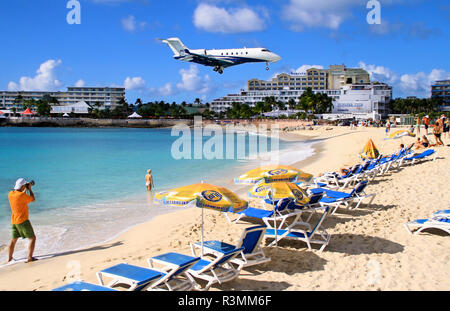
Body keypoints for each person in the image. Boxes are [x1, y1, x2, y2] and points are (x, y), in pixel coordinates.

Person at [7, 178, 37, 263]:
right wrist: (30, 189)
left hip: (14, 221)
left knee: (13, 241)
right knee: (32, 238)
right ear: (23, 186)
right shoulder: (22, 196)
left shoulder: (11, 194)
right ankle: (30, 258)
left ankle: (9, 259)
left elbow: (20, 195)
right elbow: (32, 199)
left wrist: (25, 189)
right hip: (23, 220)